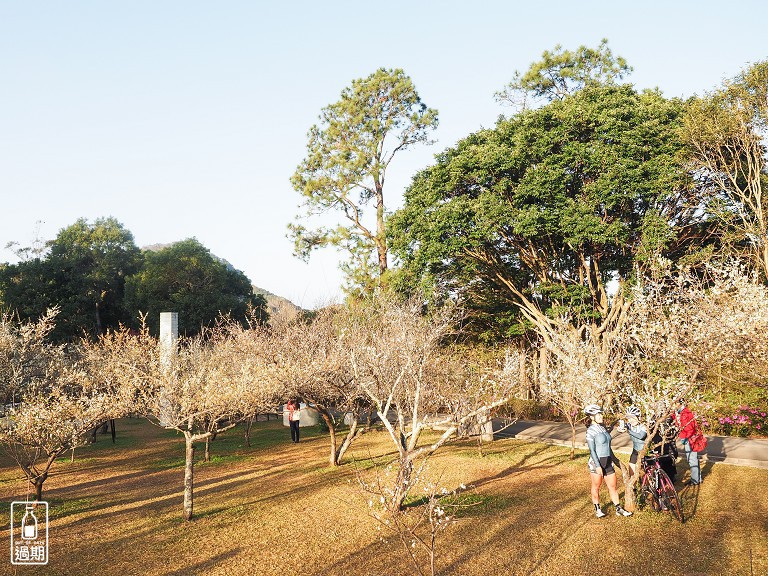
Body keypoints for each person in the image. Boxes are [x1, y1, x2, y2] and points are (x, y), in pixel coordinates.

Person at [584, 404, 633, 518]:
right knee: (596, 486)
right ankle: (598, 509)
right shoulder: (591, 431)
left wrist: (619, 432)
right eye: (598, 414)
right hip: (597, 462)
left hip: (608, 461)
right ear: (592, 417)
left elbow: (608, 438)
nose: (601, 416)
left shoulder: (602, 427)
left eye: (601, 413)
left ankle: (618, 508)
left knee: (612, 486)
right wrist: (597, 466)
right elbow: (592, 450)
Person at [675, 399, 701, 485]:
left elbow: (689, 428)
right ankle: (697, 478)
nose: (674, 405)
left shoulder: (685, 413)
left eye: (675, 403)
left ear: (680, 404)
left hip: (689, 439)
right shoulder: (682, 412)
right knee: (693, 459)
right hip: (688, 437)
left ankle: (695, 481)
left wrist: (685, 438)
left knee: (692, 459)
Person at [619, 405, 647, 477]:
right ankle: (633, 486)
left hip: (646, 451)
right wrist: (621, 428)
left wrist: (628, 431)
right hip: (635, 450)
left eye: (633, 418)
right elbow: (623, 426)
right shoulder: (629, 425)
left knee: (645, 471)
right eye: (629, 418)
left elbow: (641, 436)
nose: (631, 420)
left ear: (638, 417)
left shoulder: (644, 425)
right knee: (631, 467)